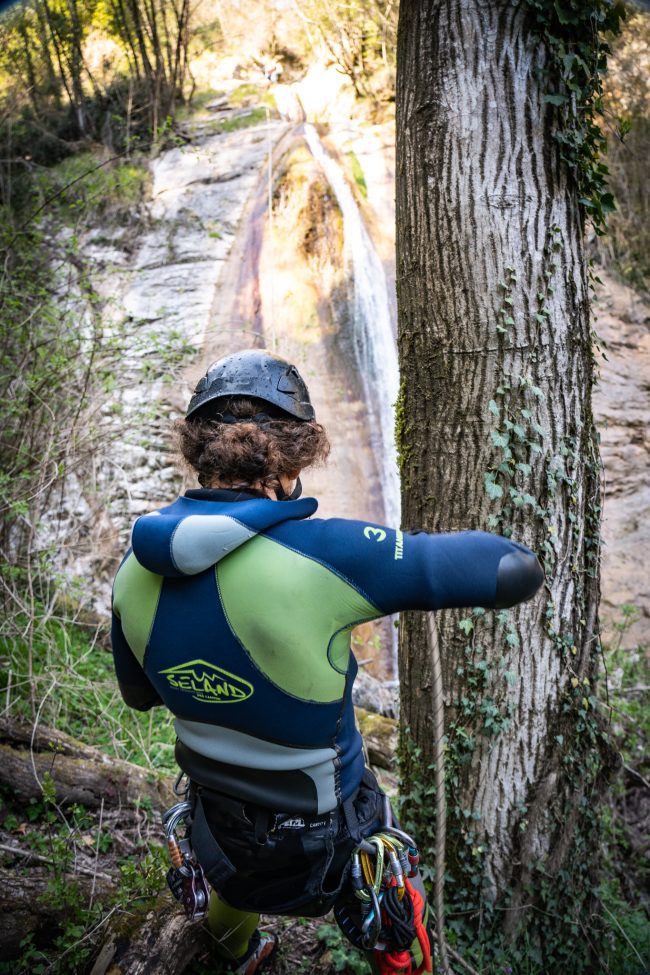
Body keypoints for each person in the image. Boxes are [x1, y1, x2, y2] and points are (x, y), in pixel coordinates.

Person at [111, 349, 544, 974]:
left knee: (232, 892)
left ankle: (240, 953)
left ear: (197, 450)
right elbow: (514, 568)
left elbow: (139, 694)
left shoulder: (133, 569)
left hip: (221, 832)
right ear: (293, 458)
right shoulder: (326, 556)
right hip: (331, 839)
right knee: (394, 916)